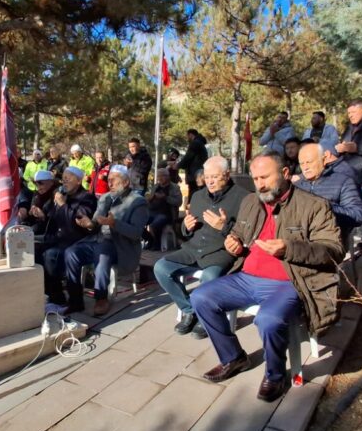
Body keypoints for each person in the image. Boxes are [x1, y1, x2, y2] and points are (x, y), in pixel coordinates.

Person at [190, 151, 343, 402]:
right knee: (200, 297)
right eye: (255, 178)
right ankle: (233, 358)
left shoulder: (313, 206)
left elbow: (334, 250)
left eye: (264, 177)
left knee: (268, 319)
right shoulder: (252, 201)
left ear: (284, 174)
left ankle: (275, 375)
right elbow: (239, 232)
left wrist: (289, 248)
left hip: (290, 281)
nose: (259, 184)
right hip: (246, 277)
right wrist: (234, 242)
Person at [154, 156, 249, 339]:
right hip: (193, 249)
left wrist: (224, 227)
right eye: (207, 177)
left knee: (209, 277)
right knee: (161, 268)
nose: (210, 181)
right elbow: (185, 229)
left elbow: (247, 233)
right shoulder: (198, 196)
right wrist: (186, 227)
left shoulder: (243, 197)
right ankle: (189, 309)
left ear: (227, 175)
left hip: (219, 252)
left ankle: (207, 317)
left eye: (215, 177)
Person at [63, 164, 147, 316]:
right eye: (108, 180)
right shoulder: (105, 198)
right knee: (71, 252)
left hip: (120, 245)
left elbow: (136, 233)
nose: (110, 183)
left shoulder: (137, 201)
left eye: (114, 180)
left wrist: (114, 223)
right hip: (97, 240)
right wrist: (89, 224)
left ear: (126, 182)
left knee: (102, 251)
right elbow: (95, 223)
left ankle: (101, 297)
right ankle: (75, 300)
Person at [40, 167, 97, 308]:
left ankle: (70, 300)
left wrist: (63, 205)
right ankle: (53, 294)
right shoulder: (62, 195)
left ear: (78, 181)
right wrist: (41, 212)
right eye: (63, 177)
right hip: (57, 238)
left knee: (51, 255)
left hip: (76, 239)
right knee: (35, 251)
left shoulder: (87, 198)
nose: (64, 181)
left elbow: (77, 221)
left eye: (68, 178)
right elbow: (49, 216)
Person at [293, 143, 362, 244]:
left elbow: (358, 215)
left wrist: (326, 208)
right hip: (297, 235)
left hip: (329, 238)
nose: (305, 167)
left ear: (323, 160)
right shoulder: (297, 186)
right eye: (302, 163)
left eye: (309, 162)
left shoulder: (343, 182)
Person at [143, 168, 182, 251]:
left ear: (168, 177)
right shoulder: (156, 186)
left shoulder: (174, 187)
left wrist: (165, 198)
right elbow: (149, 199)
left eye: (162, 176)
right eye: (158, 176)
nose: (160, 178)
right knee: (138, 221)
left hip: (166, 214)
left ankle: (156, 244)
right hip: (152, 211)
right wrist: (150, 199)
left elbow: (179, 202)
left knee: (155, 224)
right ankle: (150, 239)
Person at [17, 170, 57, 235]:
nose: (38, 187)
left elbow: (59, 221)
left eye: (41, 183)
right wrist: (31, 213)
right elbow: (30, 217)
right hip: (36, 227)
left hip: (49, 232)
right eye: (36, 184)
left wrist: (44, 216)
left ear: (51, 182)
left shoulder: (56, 195)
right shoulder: (36, 195)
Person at [178, 129, 209, 199]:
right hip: (198, 173)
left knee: (194, 195)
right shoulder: (200, 143)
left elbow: (188, 157)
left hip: (194, 174)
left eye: (187, 136)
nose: (187, 138)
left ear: (191, 135)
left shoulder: (195, 143)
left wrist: (178, 165)